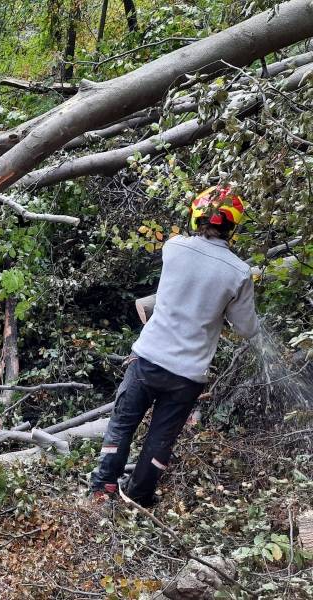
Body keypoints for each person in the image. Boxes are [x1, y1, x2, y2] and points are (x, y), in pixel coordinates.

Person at [90, 185, 259, 507]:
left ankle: (103, 489)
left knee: (122, 425)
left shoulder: (174, 246)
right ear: (233, 225)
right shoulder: (240, 273)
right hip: (187, 374)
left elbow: (190, 279)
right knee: (160, 438)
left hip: (149, 358)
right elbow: (247, 328)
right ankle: (138, 496)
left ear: (196, 216)